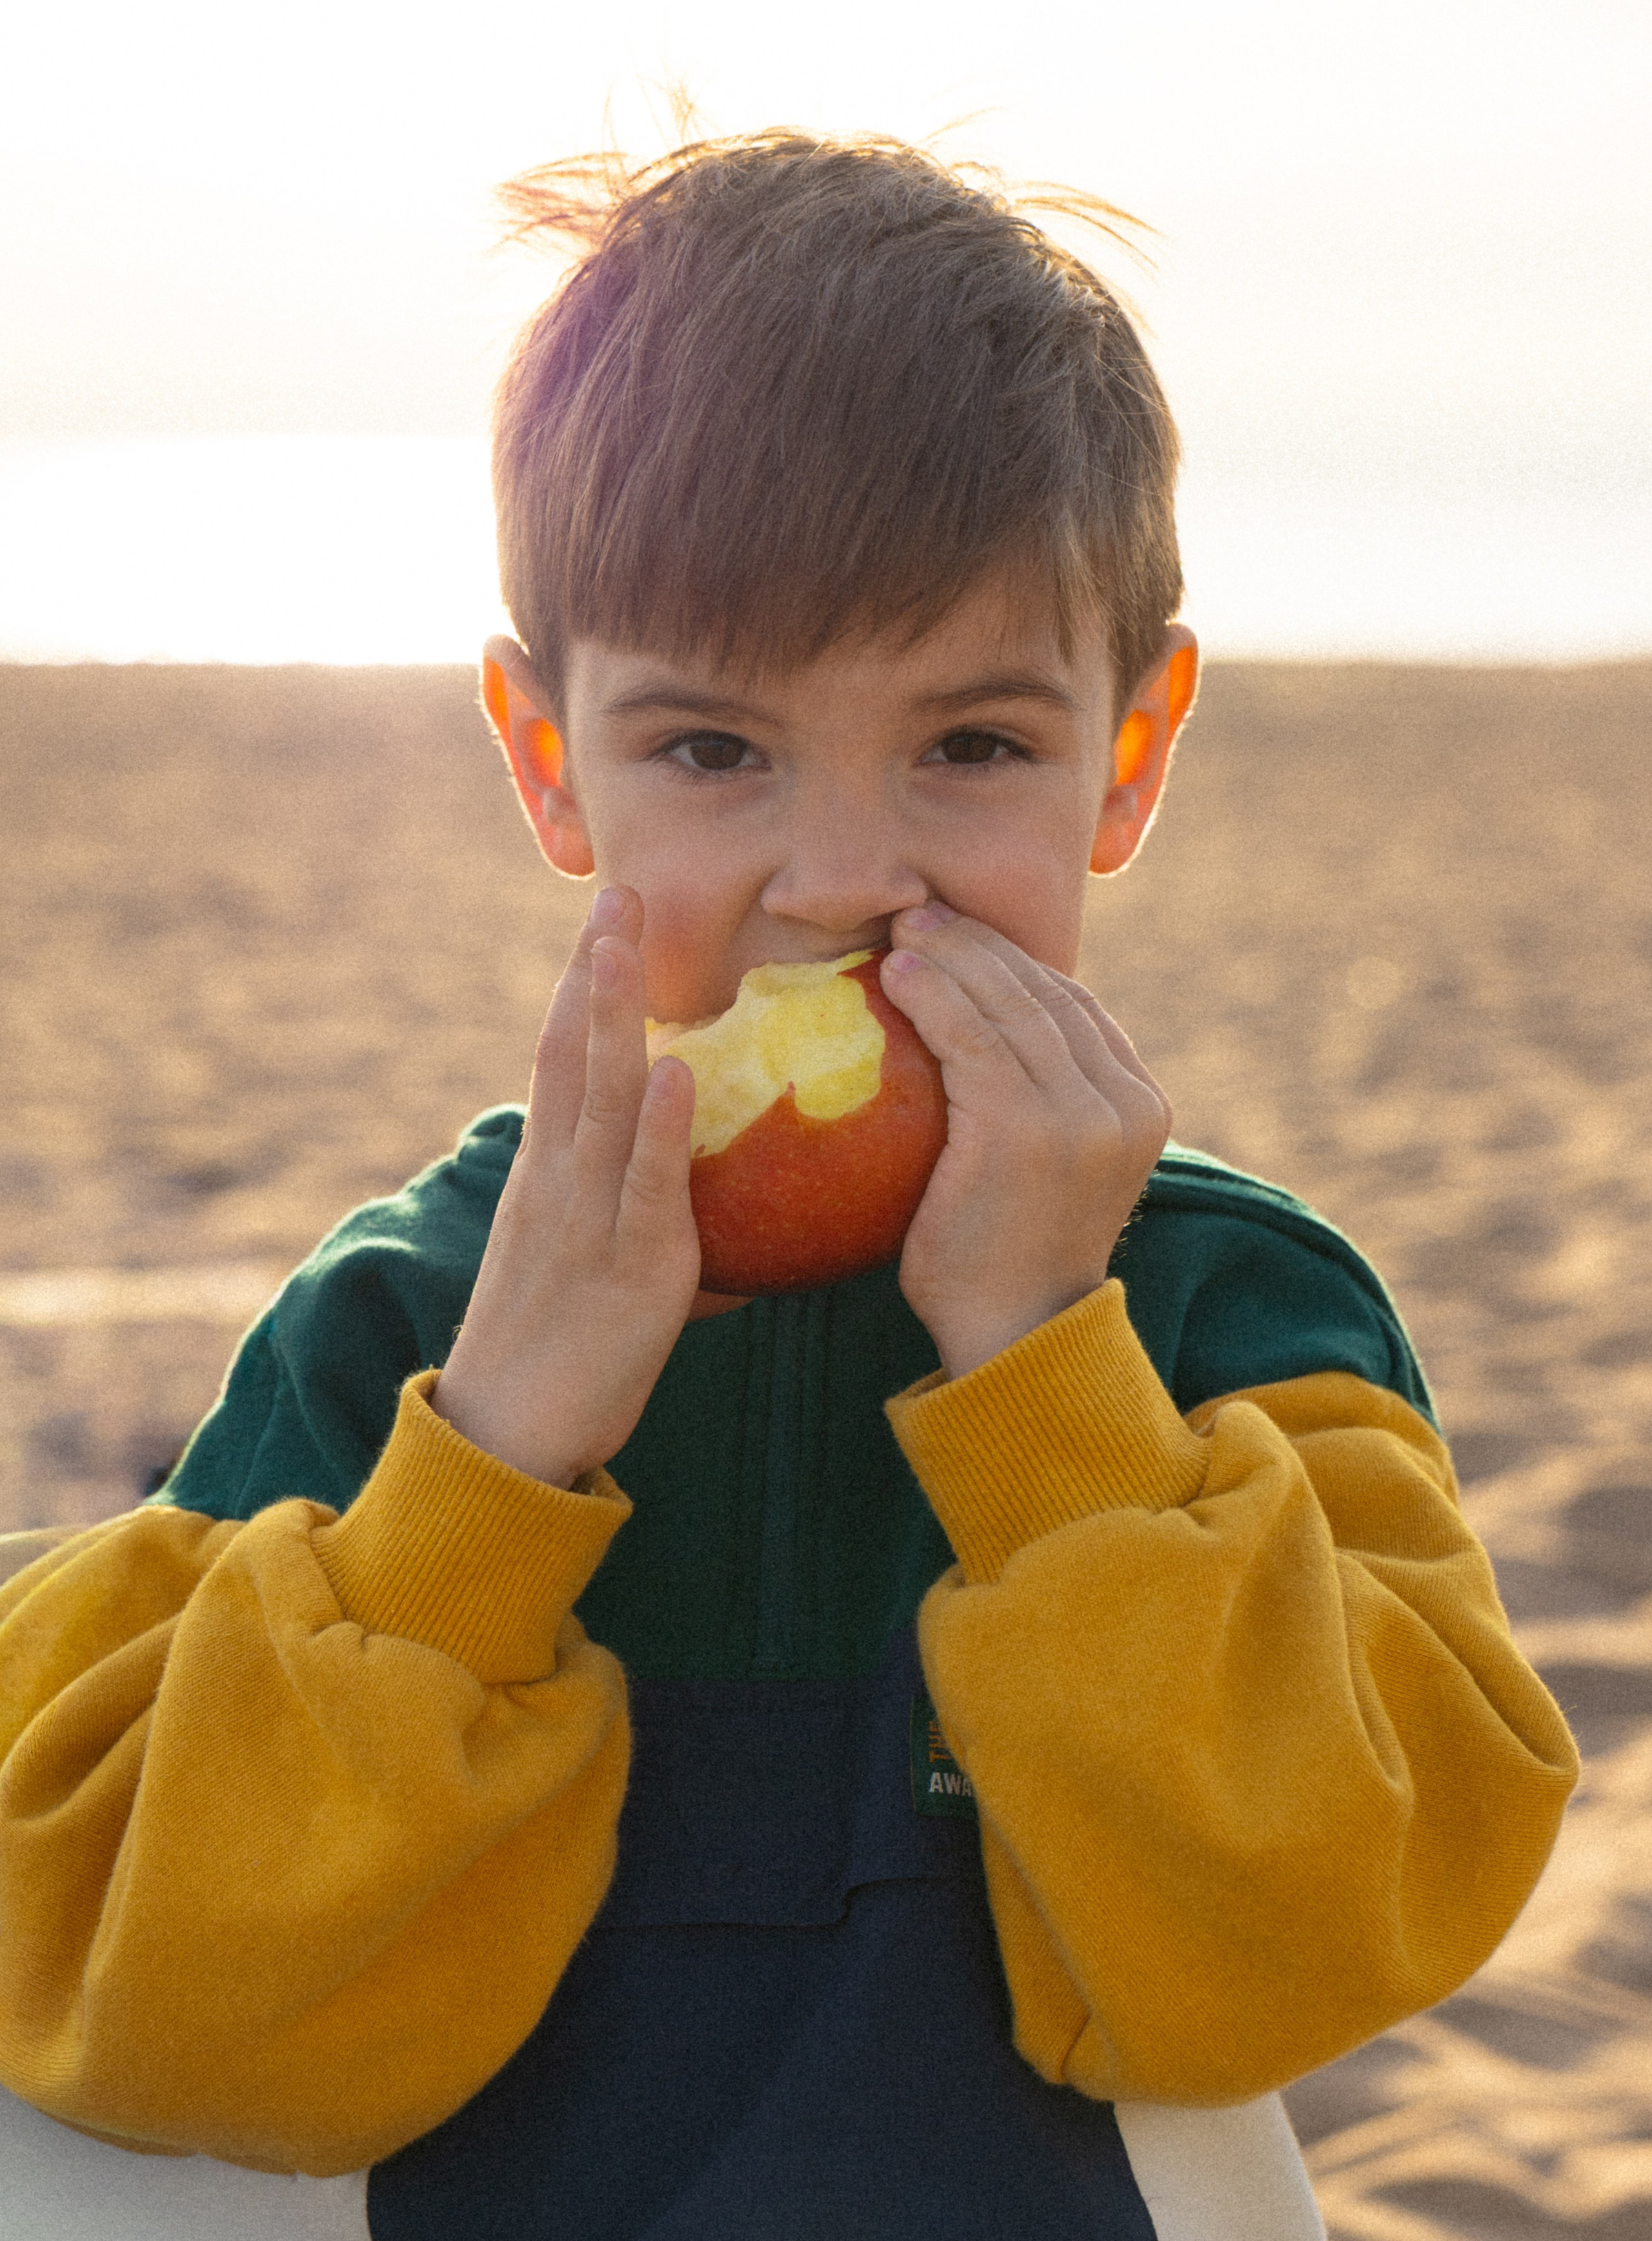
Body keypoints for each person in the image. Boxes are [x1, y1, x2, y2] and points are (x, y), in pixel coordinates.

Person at [0, 132, 1577, 2239]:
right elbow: (179, 2015)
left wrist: (1047, 1374)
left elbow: (1315, 1943)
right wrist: (492, 1460)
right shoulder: (415, 1321)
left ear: (1134, 749)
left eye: (976, 746)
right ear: (549, 760)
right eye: (716, 754)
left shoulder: (1224, 1309)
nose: (841, 884)